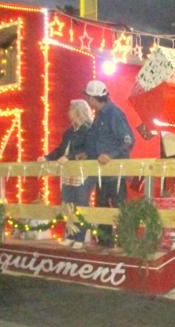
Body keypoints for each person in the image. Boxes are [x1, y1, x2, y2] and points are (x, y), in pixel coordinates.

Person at [82, 80, 135, 247]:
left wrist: (110, 156)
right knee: (102, 208)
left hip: (115, 173)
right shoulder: (100, 116)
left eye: (89, 98)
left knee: (119, 208)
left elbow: (128, 141)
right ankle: (105, 244)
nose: (88, 101)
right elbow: (97, 142)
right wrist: (87, 154)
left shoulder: (114, 114)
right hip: (102, 174)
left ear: (93, 98)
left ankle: (126, 244)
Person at [39, 99, 94, 247]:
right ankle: (70, 235)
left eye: (71, 109)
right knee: (67, 203)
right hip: (67, 173)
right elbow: (60, 149)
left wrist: (69, 157)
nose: (68, 112)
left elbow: (88, 150)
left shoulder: (89, 129)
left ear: (78, 111)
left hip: (83, 173)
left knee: (80, 203)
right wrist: (47, 157)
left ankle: (80, 238)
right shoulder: (69, 132)